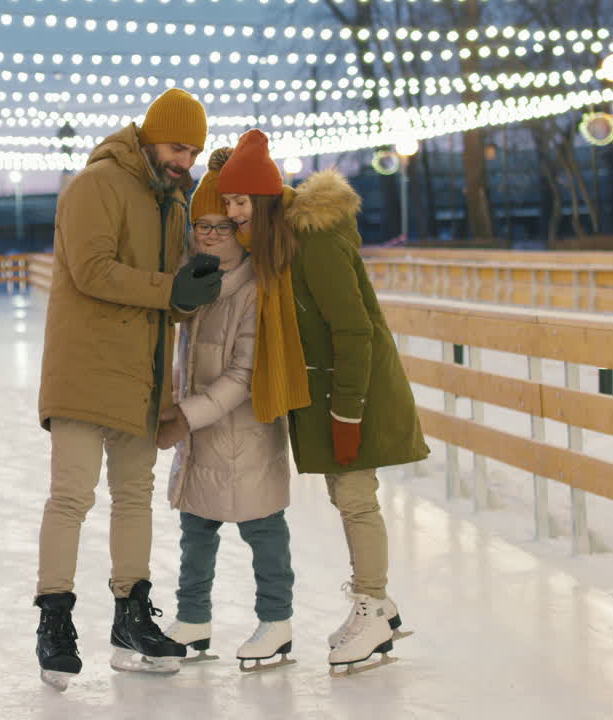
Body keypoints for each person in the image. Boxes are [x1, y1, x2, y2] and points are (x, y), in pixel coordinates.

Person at [32, 88, 224, 691]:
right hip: (86, 369)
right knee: (72, 497)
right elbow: (90, 270)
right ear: (147, 136)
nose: (184, 161)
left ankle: (130, 616)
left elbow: (168, 297)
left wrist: (189, 295)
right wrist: (171, 290)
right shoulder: (96, 185)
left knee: (135, 498)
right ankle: (55, 621)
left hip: (142, 374)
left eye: (193, 152)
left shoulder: (172, 202)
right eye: (176, 147)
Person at [217, 128, 429, 672]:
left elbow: (354, 331)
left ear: (263, 199)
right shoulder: (278, 246)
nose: (233, 212)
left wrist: (346, 413)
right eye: (228, 202)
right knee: (346, 497)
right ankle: (377, 602)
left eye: (240, 201)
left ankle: (372, 603)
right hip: (329, 393)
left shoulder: (315, 242)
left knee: (357, 498)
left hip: (353, 392)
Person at [155, 148, 297, 674]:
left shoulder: (257, 288)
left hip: (246, 432)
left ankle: (277, 621)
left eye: (220, 225)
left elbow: (243, 372)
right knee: (195, 528)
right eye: (199, 225)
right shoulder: (195, 283)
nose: (209, 234)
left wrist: (185, 415)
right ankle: (193, 618)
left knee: (263, 527)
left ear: (242, 230)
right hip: (200, 433)